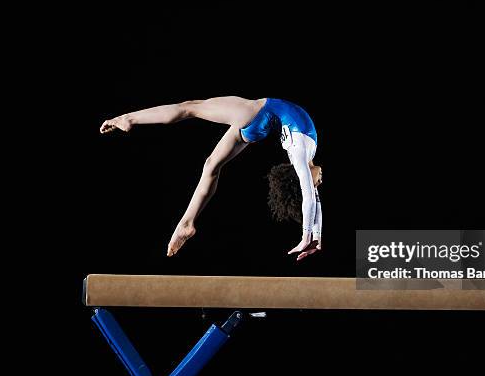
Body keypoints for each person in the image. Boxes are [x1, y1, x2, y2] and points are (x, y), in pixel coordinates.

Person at [100, 96, 322, 260]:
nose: (319, 184)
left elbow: (309, 199)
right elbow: (314, 202)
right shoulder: (306, 157)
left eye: (313, 186)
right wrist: (316, 238)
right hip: (261, 124)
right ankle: (186, 223)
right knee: (211, 166)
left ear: (298, 180)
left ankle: (128, 119)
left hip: (256, 113)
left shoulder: (301, 155)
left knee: (191, 108)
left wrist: (305, 238)